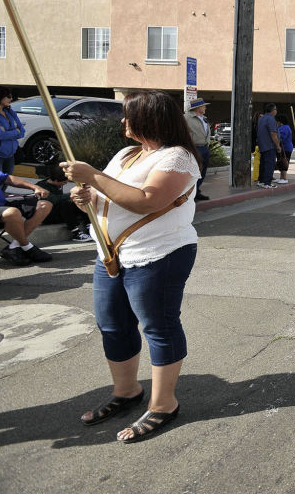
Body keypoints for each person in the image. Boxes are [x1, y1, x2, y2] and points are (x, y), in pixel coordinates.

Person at [63, 90, 201, 443]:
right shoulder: (127, 154)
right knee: (112, 324)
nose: (123, 122)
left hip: (159, 255)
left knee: (159, 326)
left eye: (129, 116)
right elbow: (107, 196)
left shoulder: (178, 158)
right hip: (111, 254)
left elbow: (147, 200)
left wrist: (92, 176)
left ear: (149, 120)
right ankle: (126, 393)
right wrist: (87, 199)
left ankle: (163, 404)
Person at [0, 170, 53, 265]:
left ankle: (14, 246)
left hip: (3, 204)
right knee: (12, 212)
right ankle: (27, 246)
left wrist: (35, 187)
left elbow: (8, 178)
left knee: (44, 205)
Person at [37, 164, 93, 242]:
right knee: (64, 203)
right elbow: (54, 199)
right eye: (64, 182)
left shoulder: (57, 182)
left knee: (80, 199)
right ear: (56, 180)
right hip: (49, 215)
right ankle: (75, 233)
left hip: (63, 213)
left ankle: (89, 225)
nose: (66, 183)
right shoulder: (41, 186)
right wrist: (71, 195)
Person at [185, 99, 211, 201]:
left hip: (204, 148)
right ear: (197, 107)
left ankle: (196, 192)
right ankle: (190, 193)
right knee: (194, 172)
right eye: (203, 106)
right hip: (194, 148)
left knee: (202, 172)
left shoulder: (203, 118)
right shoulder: (186, 118)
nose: (205, 108)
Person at [0, 85, 24, 175]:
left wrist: (10, 132)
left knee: (7, 181)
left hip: (10, 154)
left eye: (12, 97)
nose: (11, 99)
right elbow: (1, 135)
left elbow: (22, 131)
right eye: (8, 96)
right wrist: (16, 131)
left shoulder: (10, 112)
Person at [256, 103, 281, 189]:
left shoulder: (261, 118)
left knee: (263, 163)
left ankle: (261, 181)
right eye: (276, 109)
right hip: (270, 145)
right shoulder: (271, 119)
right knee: (270, 164)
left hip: (262, 145)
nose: (276, 111)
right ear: (273, 110)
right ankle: (267, 182)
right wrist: (278, 146)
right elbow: (273, 133)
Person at [275, 114, 295, 184]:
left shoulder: (284, 128)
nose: (276, 123)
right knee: (281, 162)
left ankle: (284, 178)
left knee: (284, 162)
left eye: (277, 122)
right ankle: (281, 178)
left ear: (280, 122)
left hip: (285, 148)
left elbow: (281, 138)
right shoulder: (286, 127)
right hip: (286, 147)